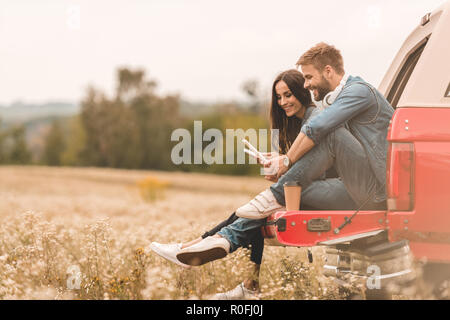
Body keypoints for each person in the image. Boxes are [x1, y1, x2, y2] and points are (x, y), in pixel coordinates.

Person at [149, 69, 348, 299]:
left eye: (288, 95)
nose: (283, 102)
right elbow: (304, 168)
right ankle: (216, 259)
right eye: (279, 97)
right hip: (304, 192)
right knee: (255, 212)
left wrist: (283, 166)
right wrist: (278, 166)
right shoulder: (299, 122)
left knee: (259, 210)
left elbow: (317, 171)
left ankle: (212, 246)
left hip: (325, 195)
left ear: (301, 93)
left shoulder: (314, 118)